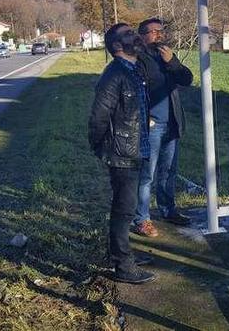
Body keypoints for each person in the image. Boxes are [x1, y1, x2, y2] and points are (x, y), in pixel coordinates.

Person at [88, 23, 156, 284]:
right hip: (122, 153)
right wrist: (101, 148)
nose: (135, 36)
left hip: (137, 148)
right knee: (124, 209)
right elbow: (98, 118)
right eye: (129, 34)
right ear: (117, 46)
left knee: (128, 208)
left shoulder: (134, 69)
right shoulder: (114, 74)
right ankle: (123, 266)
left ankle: (124, 254)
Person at [132, 18, 194, 237]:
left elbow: (187, 79)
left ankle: (168, 210)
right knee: (147, 175)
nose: (159, 34)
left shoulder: (166, 55)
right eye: (154, 31)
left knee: (168, 172)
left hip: (172, 123)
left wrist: (172, 62)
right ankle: (142, 219)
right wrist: (143, 117)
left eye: (161, 31)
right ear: (142, 35)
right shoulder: (138, 59)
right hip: (151, 126)